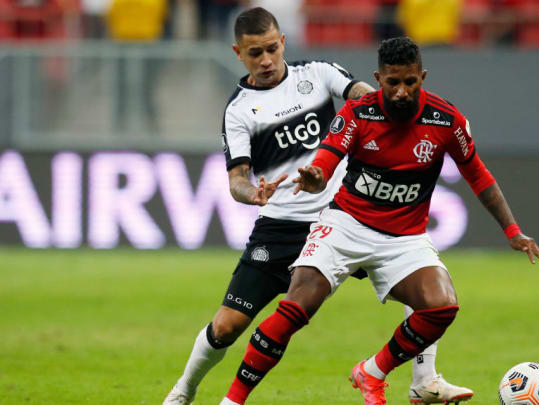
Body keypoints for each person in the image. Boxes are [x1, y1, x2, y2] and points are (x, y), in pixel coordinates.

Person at [162, 9, 472, 405]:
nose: (267, 60)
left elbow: (367, 99)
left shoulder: (320, 74)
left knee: (426, 293)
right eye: (255, 53)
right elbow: (237, 179)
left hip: (346, 217)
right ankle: (184, 390)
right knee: (226, 326)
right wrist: (252, 194)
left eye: (272, 49)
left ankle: (424, 380)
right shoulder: (239, 110)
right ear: (239, 53)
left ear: (283, 42)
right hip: (282, 226)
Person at [221, 36, 539, 405]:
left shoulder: (446, 119)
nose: (400, 92)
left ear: (422, 76)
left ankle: (372, 372)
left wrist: (512, 230)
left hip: (404, 236)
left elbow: (478, 175)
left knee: (442, 306)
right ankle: (232, 401)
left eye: (409, 82)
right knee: (296, 306)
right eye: (392, 82)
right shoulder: (358, 113)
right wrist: (315, 177)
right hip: (346, 223)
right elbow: (327, 159)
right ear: (378, 78)